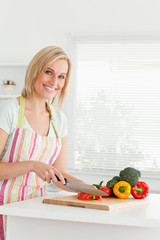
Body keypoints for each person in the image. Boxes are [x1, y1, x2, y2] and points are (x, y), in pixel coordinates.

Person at [0, 46, 86, 240]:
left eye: (61, 76)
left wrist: (91, 189)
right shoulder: (10, 110)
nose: (54, 82)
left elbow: (60, 175)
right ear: (35, 71)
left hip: (35, 211)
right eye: (49, 72)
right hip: (3, 208)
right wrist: (32, 166)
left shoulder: (59, 120)